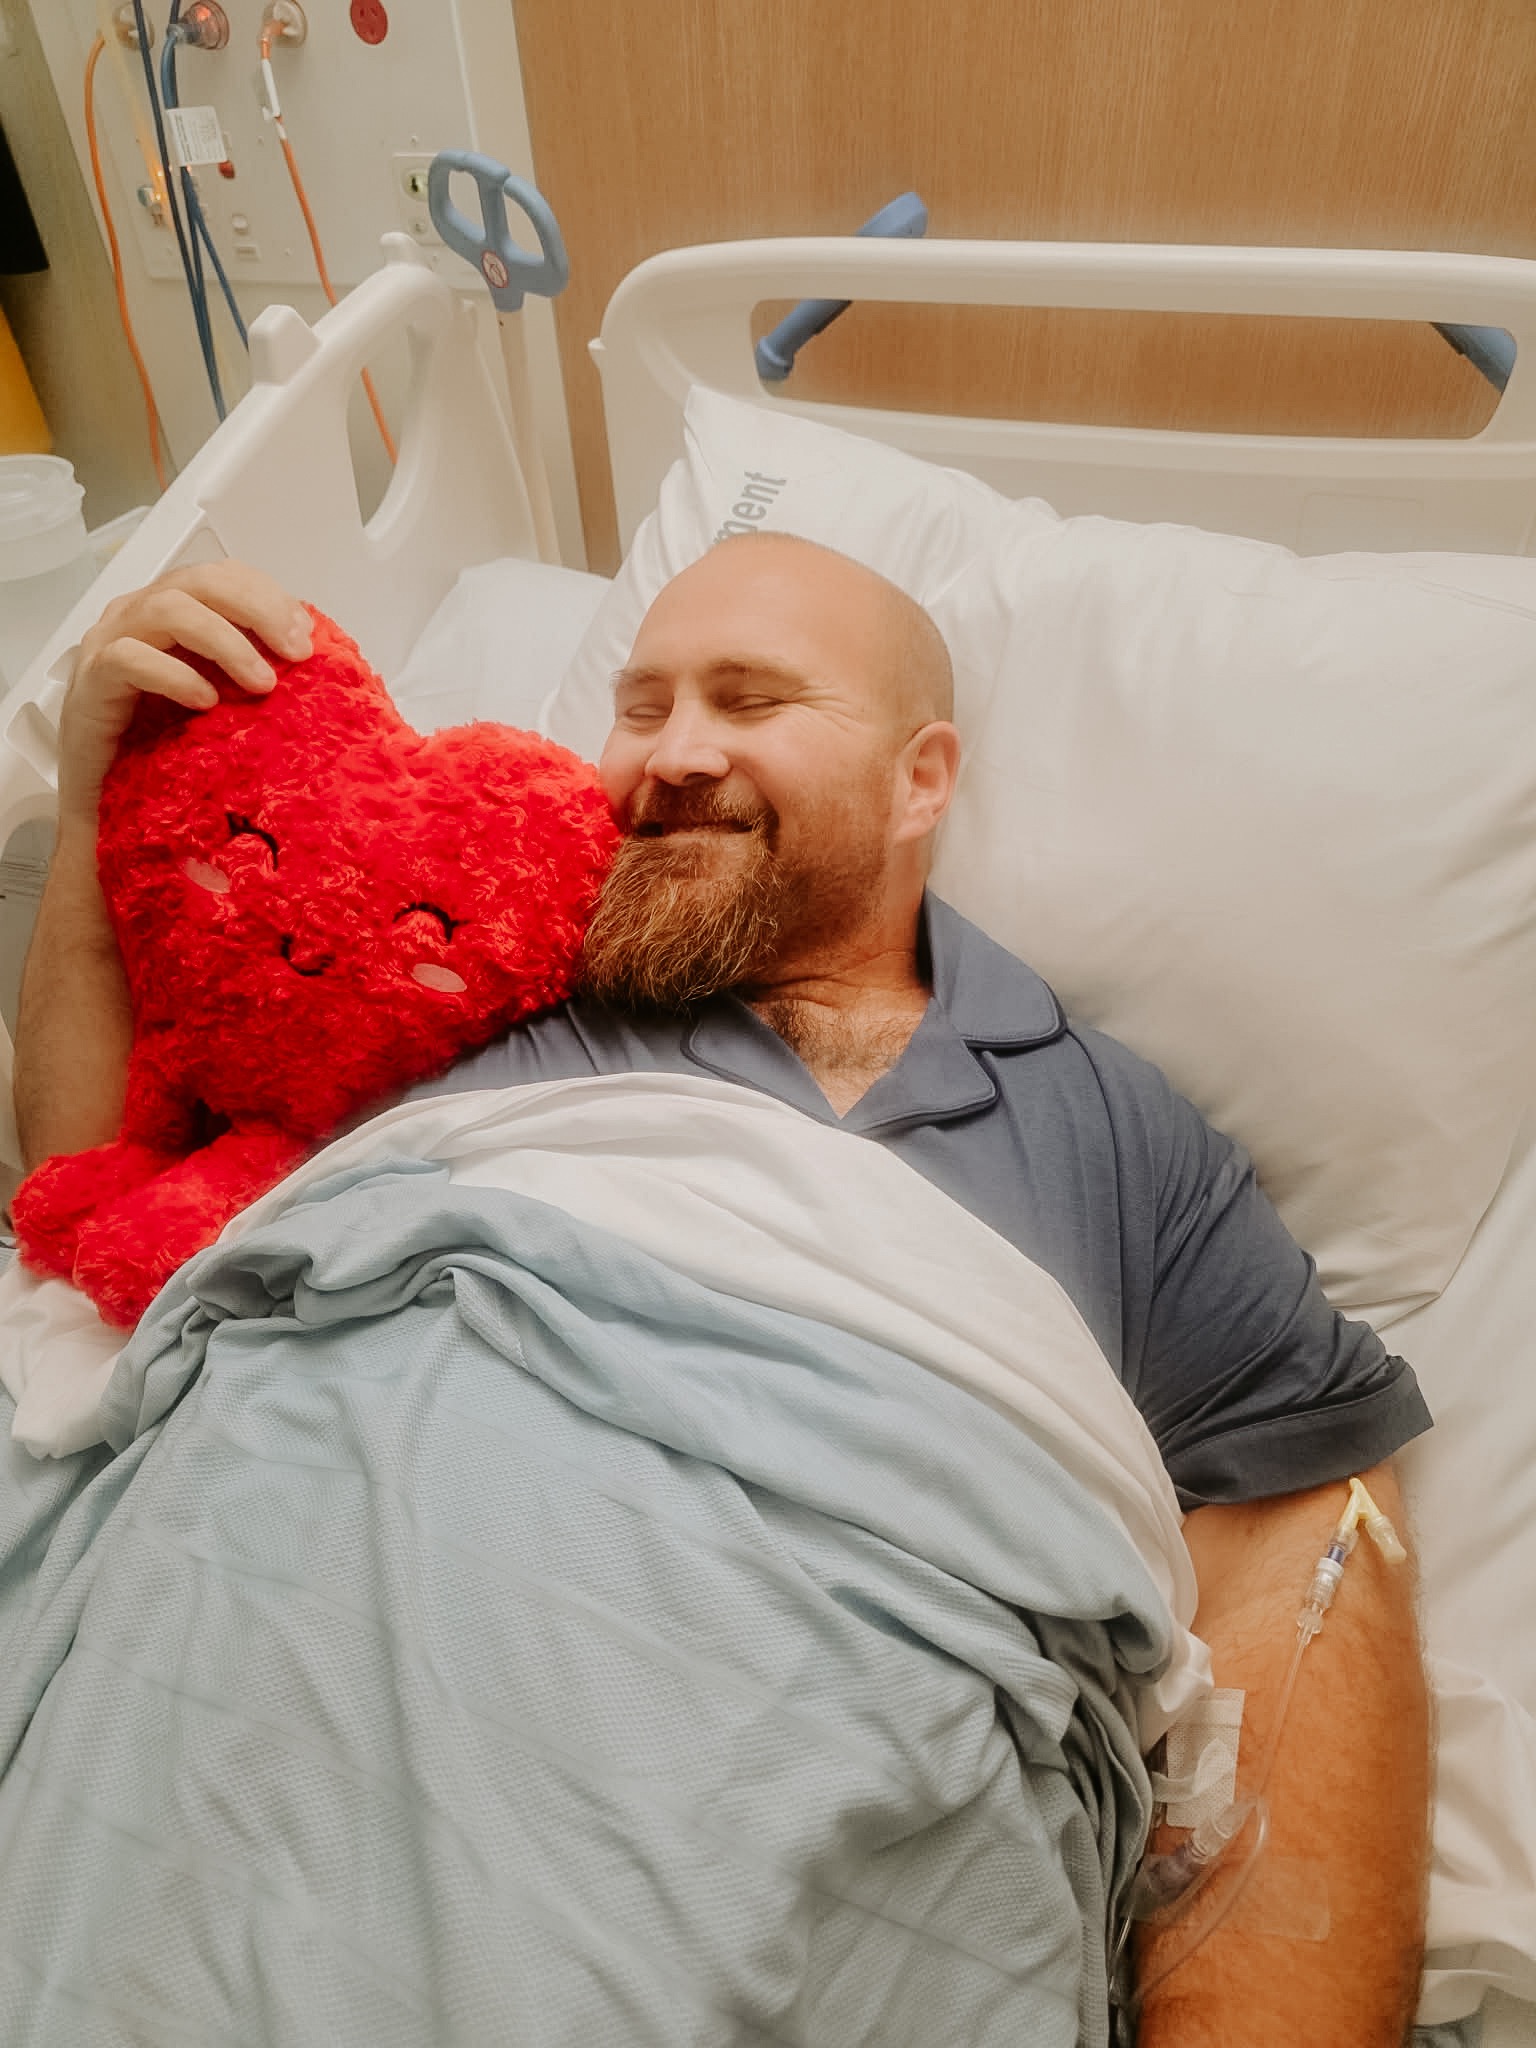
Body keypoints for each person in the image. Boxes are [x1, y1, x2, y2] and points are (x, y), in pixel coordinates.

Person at [17, 537, 1432, 2047]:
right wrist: (102, 787)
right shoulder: (464, 973)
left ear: (920, 780)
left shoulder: (1107, 1129)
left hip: (790, 1789)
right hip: (275, 1653)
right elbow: (82, 1158)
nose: (674, 753)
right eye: (640, 708)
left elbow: (1303, 1556)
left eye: (749, 701)